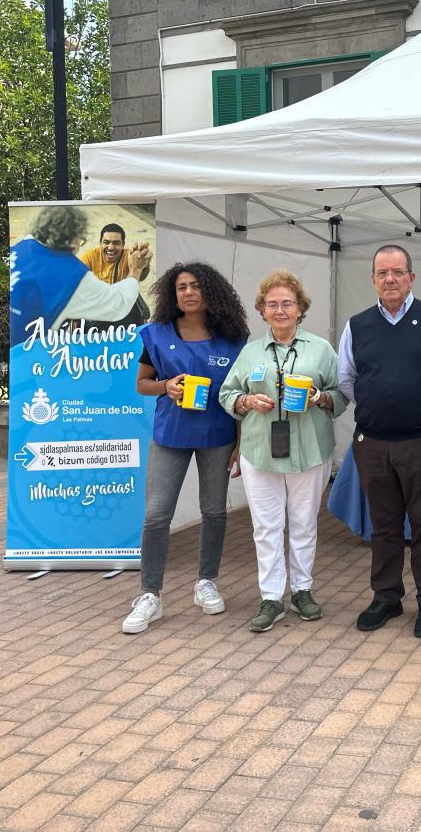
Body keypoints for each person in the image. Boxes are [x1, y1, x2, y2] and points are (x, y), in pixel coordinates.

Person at [338, 245, 421, 638]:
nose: (389, 279)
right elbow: (347, 378)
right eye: (382, 273)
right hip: (372, 443)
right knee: (384, 526)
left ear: (412, 277)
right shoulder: (356, 326)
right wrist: (382, 403)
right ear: (373, 279)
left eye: (397, 271)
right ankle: (387, 596)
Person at [121, 263, 249, 634]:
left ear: (211, 292)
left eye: (195, 286)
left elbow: (237, 393)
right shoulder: (157, 334)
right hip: (170, 435)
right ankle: (150, 595)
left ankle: (206, 582)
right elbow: (142, 384)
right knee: (157, 515)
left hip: (218, 435)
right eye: (181, 287)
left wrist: (240, 443)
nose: (188, 293)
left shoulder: (233, 338)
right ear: (172, 295)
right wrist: (167, 387)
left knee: (214, 511)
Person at [219, 270, 346, 633]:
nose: (279, 310)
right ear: (261, 310)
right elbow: (226, 395)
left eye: (287, 303)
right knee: (266, 527)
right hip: (260, 451)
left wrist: (319, 397)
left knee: (304, 524)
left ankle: (302, 590)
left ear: (300, 309)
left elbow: (342, 395)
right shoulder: (250, 352)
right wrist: (245, 400)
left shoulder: (321, 349)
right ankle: (271, 597)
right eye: (272, 304)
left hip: (309, 449)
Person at [9, 205, 150, 345]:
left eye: (116, 243)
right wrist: (135, 270)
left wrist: (143, 267)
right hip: (27, 350)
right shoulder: (72, 273)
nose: (111, 248)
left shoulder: (20, 247)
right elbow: (118, 305)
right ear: (73, 239)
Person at [79, 224, 151, 284]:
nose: (110, 247)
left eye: (116, 243)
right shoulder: (90, 256)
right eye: (106, 242)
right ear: (100, 243)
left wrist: (144, 264)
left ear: (123, 244)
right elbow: (78, 280)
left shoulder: (130, 256)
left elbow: (141, 278)